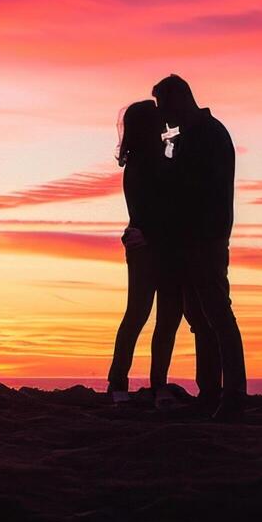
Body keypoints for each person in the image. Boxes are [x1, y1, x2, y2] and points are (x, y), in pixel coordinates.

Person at [153, 74, 248, 422]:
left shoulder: (205, 135)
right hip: (196, 237)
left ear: (179, 100)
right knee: (201, 317)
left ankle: (233, 395)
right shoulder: (197, 135)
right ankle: (211, 392)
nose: (163, 117)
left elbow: (187, 186)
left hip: (204, 237)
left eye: (164, 107)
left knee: (217, 314)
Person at [104, 99, 184, 409]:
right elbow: (150, 210)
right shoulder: (141, 165)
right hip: (149, 247)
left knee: (164, 315)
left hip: (161, 246)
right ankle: (121, 381)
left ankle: (153, 384)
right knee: (140, 313)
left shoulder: (154, 161)